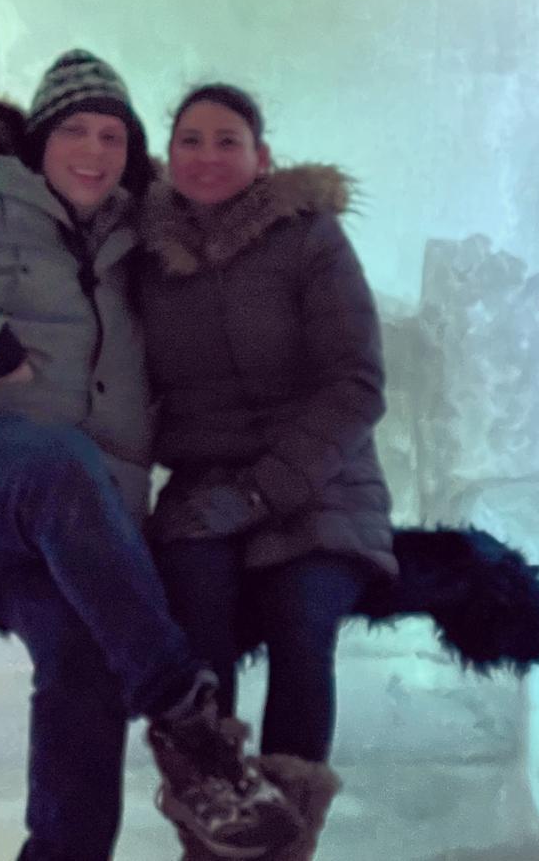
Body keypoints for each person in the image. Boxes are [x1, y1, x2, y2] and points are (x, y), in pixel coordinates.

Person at [0, 51, 303, 861]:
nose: (94, 150)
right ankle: (191, 729)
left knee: (85, 649)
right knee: (52, 459)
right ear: (37, 141)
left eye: (113, 135)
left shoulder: (129, 240)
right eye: (75, 130)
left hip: (54, 519)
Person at [135, 84, 397, 860]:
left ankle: (285, 845)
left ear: (262, 157)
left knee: (301, 624)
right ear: (168, 154)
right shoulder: (146, 253)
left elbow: (356, 384)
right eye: (191, 140)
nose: (208, 156)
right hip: (205, 484)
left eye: (227, 141)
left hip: (324, 480)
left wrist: (262, 491)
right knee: (196, 644)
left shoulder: (309, 238)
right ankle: (212, 836)